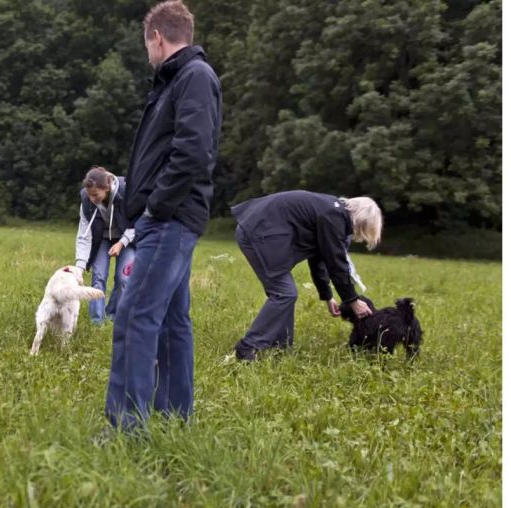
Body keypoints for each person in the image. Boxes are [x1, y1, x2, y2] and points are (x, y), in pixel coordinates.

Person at [104, 0, 222, 431]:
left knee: (134, 316)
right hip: (169, 217)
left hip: (169, 219)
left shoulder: (192, 77)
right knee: (172, 322)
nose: (147, 54)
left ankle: (125, 428)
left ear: (157, 37)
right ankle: (175, 417)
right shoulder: (177, 80)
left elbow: (193, 151)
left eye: (146, 45)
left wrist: (156, 206)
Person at [230, 190, 382, 361]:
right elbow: (336, 264)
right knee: (284, 293)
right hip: (258, 234)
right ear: (361, 221)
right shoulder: (334, 217)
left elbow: (318, 259)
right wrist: (352, 300)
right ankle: (248, 347)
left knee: (285, 293)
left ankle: (281, 348)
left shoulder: (332, 211)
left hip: (258, 230)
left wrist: (327, 296)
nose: (356, 235)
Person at [74, 167, 135, 324]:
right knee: (98, 276)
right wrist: (79, 269)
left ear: (107, 188)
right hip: (101, 239)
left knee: (123, 278)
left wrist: (122, 243)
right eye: (89, 194)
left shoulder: (126, 192)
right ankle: (97, 322)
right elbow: (84, 235)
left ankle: (113, 316)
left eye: (95, 195)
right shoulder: (87, 201)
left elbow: (137, 223)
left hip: (126, 237)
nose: (92, 198)